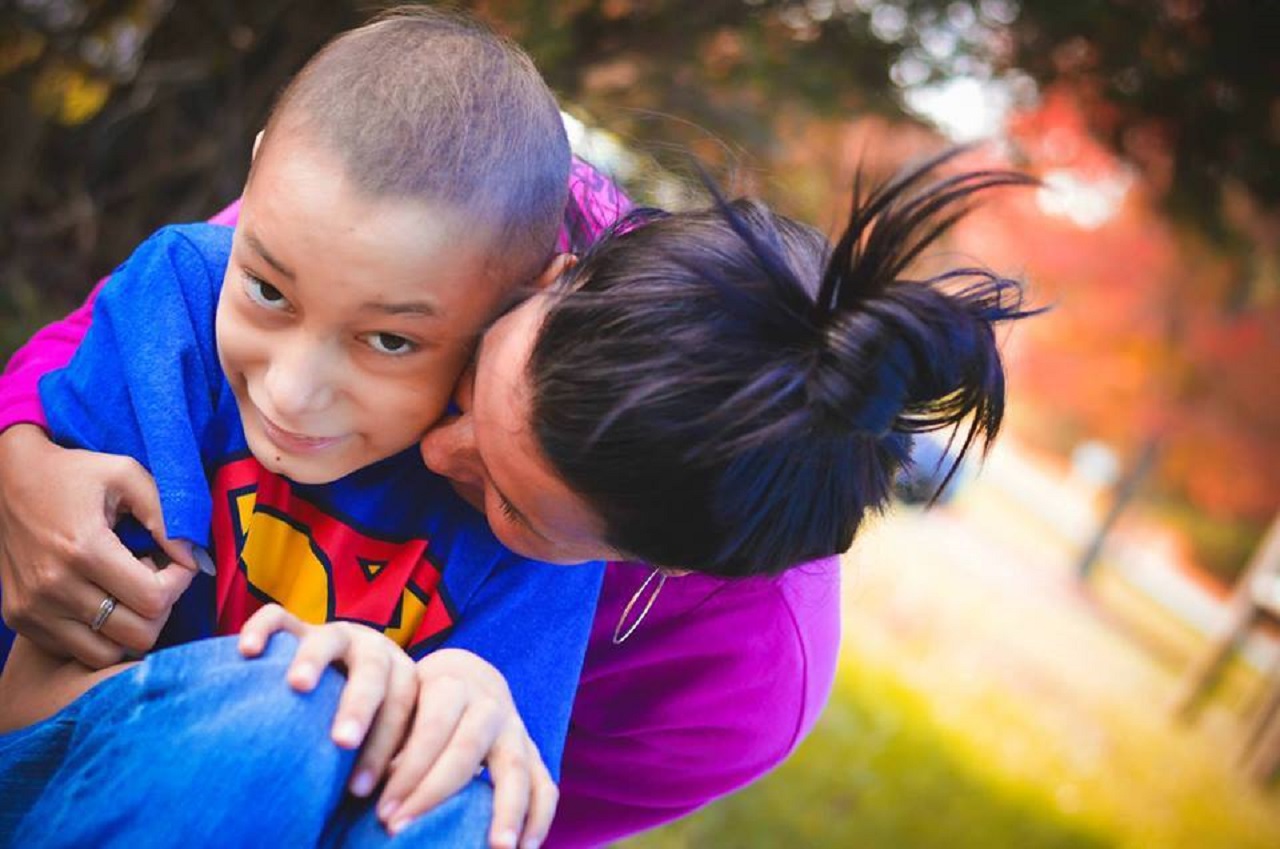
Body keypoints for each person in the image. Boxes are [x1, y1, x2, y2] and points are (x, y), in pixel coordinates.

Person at [0, 7, 605, 849]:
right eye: (268, 290)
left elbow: (490, 816)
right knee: (304, 707)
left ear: (525, 297)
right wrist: (310, 689)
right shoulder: (175, 310)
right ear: (253, 185)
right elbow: (18, 709)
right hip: (65, 787)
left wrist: (467, 702)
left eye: (390, 340)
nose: (291, 392)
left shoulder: (527, 506)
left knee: (460, 794)